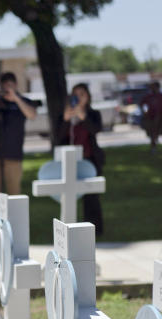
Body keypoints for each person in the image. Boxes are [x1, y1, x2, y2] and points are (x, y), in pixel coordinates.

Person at [0, 71, 38, 210]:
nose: (7, 88)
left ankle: (14, 224)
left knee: (14, 194)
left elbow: (32, 115)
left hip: (14, 155)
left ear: (16, 85)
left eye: (10, 85)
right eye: (5, 85)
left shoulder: (23, 101)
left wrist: (16, 99)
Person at [58, 83, 105, 236]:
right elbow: (58, 136)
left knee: (91, 197)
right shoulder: (65, 115)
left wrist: (83, 114)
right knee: (68, 196)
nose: (78, 97)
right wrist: (66, 119)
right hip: (69, 161)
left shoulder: (93, 114)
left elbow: (95, 129)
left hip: (89, 158)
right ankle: (68, 228)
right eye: (75, 94)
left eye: (82, 94)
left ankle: (93, 228)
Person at [140, 81, 162, 152]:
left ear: (158, 87)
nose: (152, 89)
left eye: (153, 87)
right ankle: (153, 148)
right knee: (152, 133)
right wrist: (145, 112)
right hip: (151, 118)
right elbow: (142, 104)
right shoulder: (149, 97)